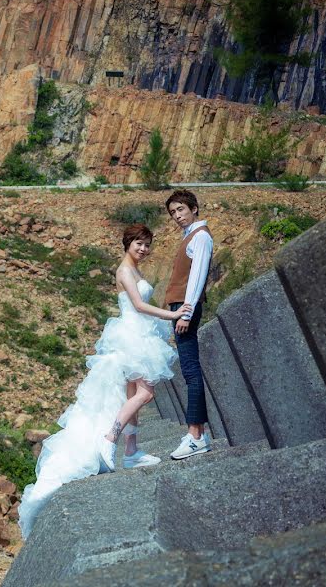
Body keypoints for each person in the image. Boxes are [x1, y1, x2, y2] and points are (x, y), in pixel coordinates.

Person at [17, 224, 191, 540]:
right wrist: (173, 316)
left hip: (141, 333)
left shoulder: (135, 269)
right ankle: (111, 437)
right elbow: (138, 306)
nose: (144, 249)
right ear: (128, 244)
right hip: (131, 335)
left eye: (147, 244)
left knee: (132, 395)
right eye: (139, 243)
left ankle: (133, 450)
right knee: (145, 393)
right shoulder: (125, 270)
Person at [163, 189, 214, 460]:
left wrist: (186, 312)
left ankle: (197, 436)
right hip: (182, 307)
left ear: (194, 208)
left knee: (191, 371)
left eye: (181, 209)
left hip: (185, 308)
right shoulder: (190, 237)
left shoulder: (201, 237)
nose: (177, 216)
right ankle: (195, 433)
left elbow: (197, 276)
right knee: (189, 370)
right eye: (173, 212)